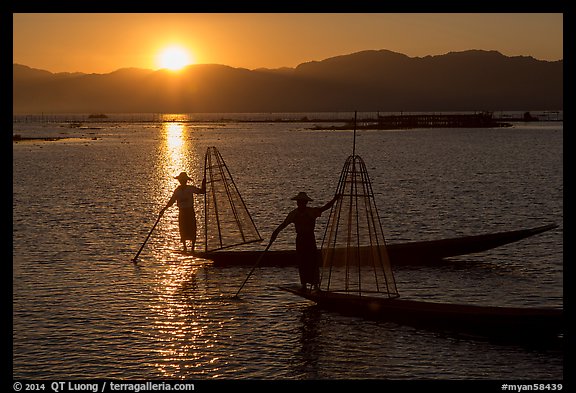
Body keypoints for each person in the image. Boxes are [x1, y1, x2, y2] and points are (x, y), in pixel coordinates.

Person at [270, 192, 338, 291]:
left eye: (302, 202)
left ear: (305, 203)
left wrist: (334, 199)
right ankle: (304, 285)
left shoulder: (311, 212)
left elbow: (324, 208)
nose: (300, 204)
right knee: (302, 261)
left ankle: (315, 285)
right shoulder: (293, 214)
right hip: (300, 239)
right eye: (299, 202)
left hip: (310, 238)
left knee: (313, 261)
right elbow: (284, 224)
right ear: (297, 203)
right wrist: (275, 233)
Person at [160, 172, 206, 253]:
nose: (182, 182)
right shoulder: (177, 191)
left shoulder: (190, 188)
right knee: (183, 229)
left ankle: (192, 248)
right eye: (181, 180)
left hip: (189, 211)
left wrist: (203, 184)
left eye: (183, 180)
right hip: (182, 212)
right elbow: (172, 201)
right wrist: (164, 209)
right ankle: (185, 247)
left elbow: (202, 191)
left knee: (192, 228)